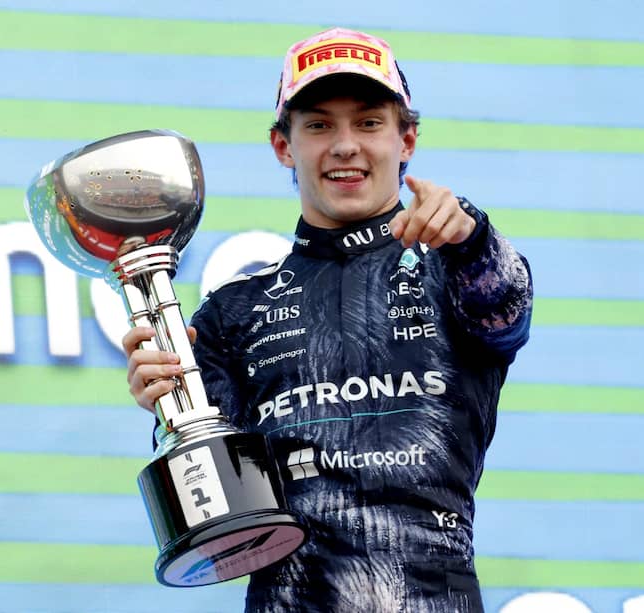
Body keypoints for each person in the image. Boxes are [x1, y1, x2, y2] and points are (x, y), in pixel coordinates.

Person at [124, 27, 533, 612]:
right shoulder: (231, 313)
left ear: (407, 139)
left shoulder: (459, 270)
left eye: (368, 122)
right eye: (318, 125)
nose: (345, 146)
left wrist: (470, 234)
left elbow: (506, 308)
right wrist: (171, 406)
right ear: (283, 147)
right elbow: (223, 520)